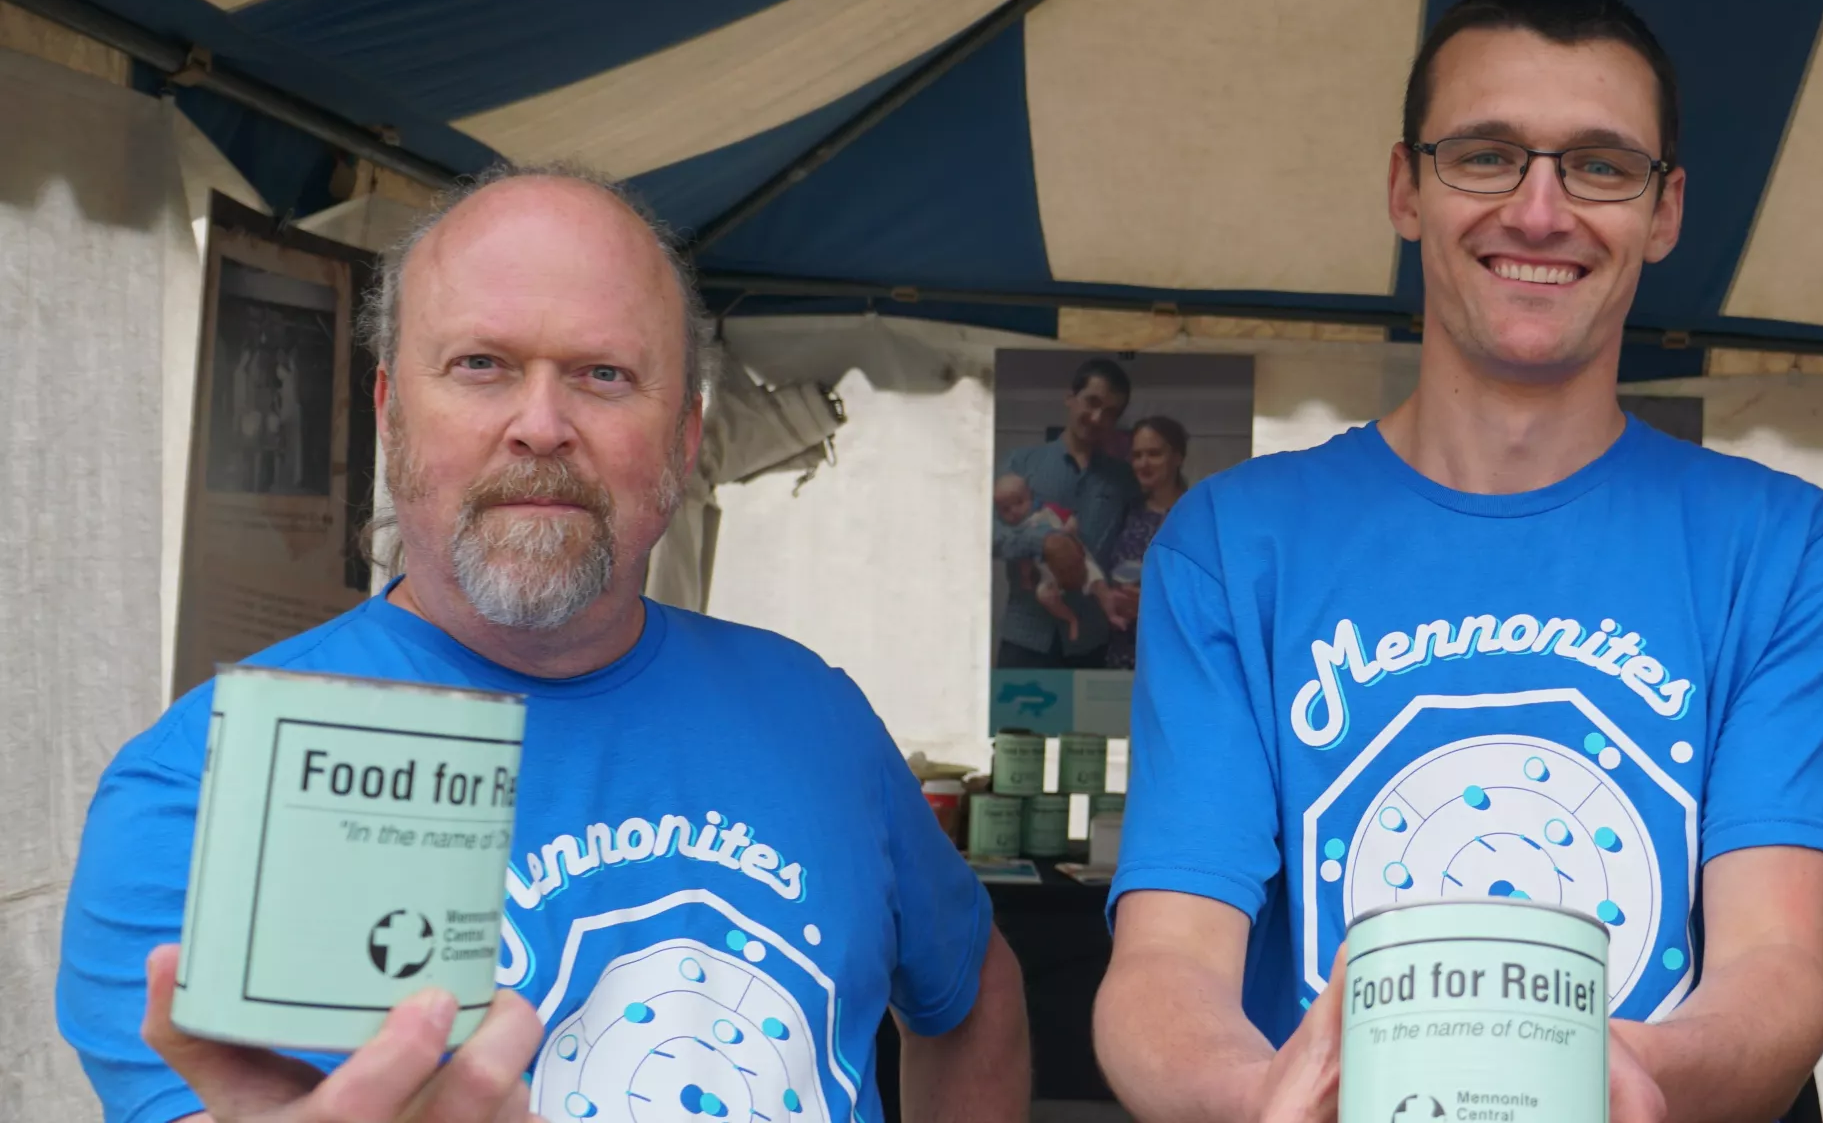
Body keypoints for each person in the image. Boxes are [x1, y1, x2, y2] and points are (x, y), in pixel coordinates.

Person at [56, 166, 1030, 1123]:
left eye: (604, 375)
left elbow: (976, 991)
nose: (541, 425)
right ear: (391, 414)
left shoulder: (815, 713)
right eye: (481, 365)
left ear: (686, 438)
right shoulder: (207, 785)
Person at [1096, 0, 1823, 1123]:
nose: (1541, 211)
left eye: (1600, 165)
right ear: (1407, 187)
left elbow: (1777, 970)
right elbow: (1165, 966)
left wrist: (1623, 1079)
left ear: (1664, 212)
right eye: (1487, 154)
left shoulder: (1783, 547)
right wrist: (1264, 1100)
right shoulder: (1232, 542)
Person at [994, 359, 1138, 668]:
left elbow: (1136, 544)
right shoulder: (1020, 464)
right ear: (1070, 398)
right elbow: (989, 535)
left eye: (1110, 412)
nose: (1097, 418)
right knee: (1016, 719)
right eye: (1092, 402)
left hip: (1094, 642)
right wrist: (1043, 542)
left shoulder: (1125, 480)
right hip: (1025, 638)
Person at [1100, 415, 1191, 668]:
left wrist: (1150, 604)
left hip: (1174, 655)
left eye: (1154, 454)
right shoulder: (1126, 511)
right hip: (1123, 652)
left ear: (1177, 457)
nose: (1143, 463)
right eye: (1137, 455)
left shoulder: (1197, 515)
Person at [996, 471, 1105, 643]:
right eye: (1005, 510)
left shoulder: (1048, 511)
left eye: (1019, 502)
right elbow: (1024, 562)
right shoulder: (1017, 532)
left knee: (1097, 580)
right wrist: (1026, 579)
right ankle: (1070, 619)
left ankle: (1111, 612)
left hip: (1077, 561)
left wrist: (1068, 530)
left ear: (1030, 497)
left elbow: (1072, 519)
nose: (1014, 511)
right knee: (1044, 596)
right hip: (1048, 577)